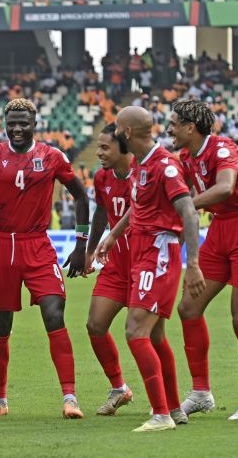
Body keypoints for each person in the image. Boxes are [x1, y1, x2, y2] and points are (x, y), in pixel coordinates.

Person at [0, 98, 89, 419]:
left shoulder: (52, 157)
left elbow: (81, 195)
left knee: (54, 314)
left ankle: (70, 398)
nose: (18, 128)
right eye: (12, 123)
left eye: (24, 123)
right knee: (0, 326)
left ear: (35, 124)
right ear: (4, 124)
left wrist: (81, 245)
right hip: (3, 246)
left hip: (38, 244)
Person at [95, 106, 205, 432]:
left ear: (127, 133)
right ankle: (173, 408)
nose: (113, 133)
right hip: (140, 251)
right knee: (155, 336)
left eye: (116, 129)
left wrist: (194, 264)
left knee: (135, 331)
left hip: (157, 253)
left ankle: (160, 415)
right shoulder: (141, 165)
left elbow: (190, 213)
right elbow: (138, 205)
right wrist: (114, 235)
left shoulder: (165, 166)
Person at [167, 99, 238, 421]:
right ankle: (201, 393)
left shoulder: (223, 149)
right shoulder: (185, 157)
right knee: (188, 308)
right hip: (219, 230)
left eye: (174, 123)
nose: (169, 129)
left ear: (190, 127)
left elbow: (226, 188)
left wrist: (187, 206)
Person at [83, 124, 134, 416]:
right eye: (98, 147)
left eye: (105, 147)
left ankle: (166, 397)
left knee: (146, 336)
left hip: (143, 264)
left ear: (123, 147)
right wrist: (90, 251)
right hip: (115, 264)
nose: (99, 153)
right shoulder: (102, 177)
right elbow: (101, 212)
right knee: (95, 325)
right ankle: (119, 388)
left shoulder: (144, 173)